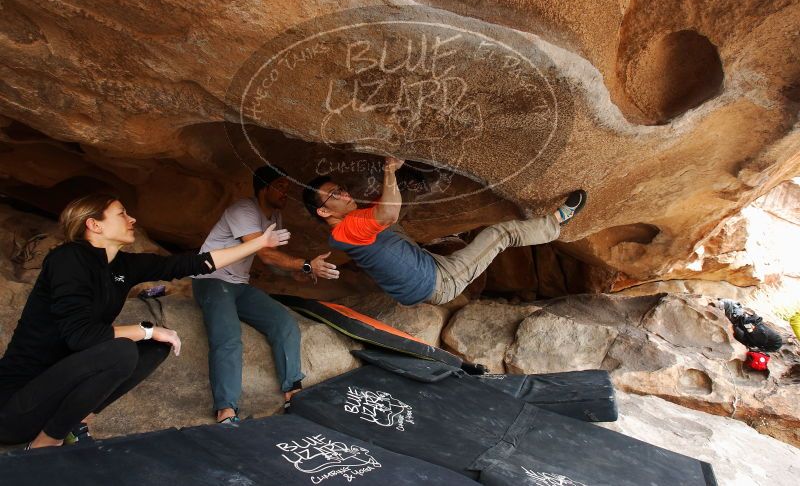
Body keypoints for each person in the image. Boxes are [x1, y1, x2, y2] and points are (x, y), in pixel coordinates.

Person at [0, 194, 289, 450]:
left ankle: (77, 421)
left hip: (52, 399)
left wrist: (259, 244)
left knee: (153, 348)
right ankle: (46, 443)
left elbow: (192, 263)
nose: (132, 218)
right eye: (121, 213)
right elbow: (81, 337)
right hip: (15, 409)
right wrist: (147, 330)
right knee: (125, 349)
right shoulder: (68, 259)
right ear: (94, 225)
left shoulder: (122, 265)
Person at [303, 158, 586, 306]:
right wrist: (389, 170)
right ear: (324, 211)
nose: (345, 193)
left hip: (428, 272)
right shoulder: (347, 230)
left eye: (341, 188)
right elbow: (388, 213)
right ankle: (556, 223)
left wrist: (400, 177)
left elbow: (385, 211)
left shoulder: (354, 223)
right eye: (335, 194)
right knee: (501, 234)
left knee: (403, 229)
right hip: (440, 281)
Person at [192, 165, 338, 424]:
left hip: (239, 285)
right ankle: (226, 410)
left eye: (287, 187)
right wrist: (305, 263)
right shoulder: (244, 210)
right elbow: (265, 252)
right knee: (228, 338)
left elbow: (271, 264)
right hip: (212, 280)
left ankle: (293, 391)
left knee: (284, 323)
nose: (286, 192)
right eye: (280, 186)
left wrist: (295, 273)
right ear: (264, 187)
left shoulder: (274, 219)